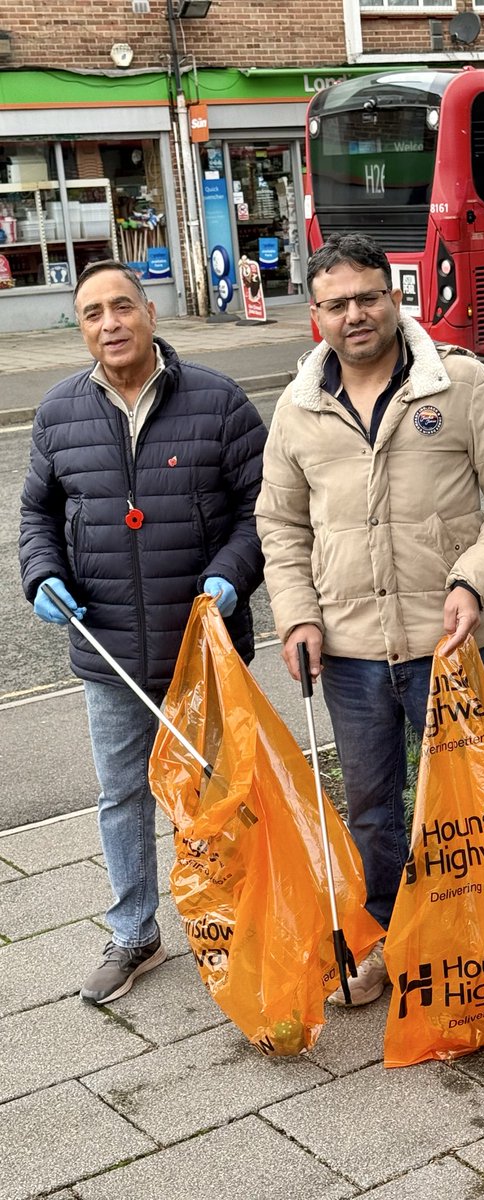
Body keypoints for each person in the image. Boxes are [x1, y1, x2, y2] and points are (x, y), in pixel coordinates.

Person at [256, 233, 484, 1005]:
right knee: (375, 810)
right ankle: (386, 939)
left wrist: (473, 582)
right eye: (337, 303)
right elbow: (280, 528)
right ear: (313, 316)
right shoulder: (296, 409)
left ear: (393, 299)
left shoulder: (462, 385)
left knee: (475, 805)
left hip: (447, 647)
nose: (356, 314)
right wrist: (295, 619)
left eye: (369, 297)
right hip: (346, 656)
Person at [20, 261, 266, 1006]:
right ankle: (135, 933)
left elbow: (266, 510)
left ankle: (237, 919)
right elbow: (35, 515)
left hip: (204, 648)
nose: (110, 324)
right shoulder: (58, 412)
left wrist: (231, 574)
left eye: (121, 306)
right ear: (83, 327)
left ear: (149, 312)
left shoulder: (219, 402)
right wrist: (41, 576)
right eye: (92, 313)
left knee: (220, 794)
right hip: (108, 651)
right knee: (122, 795)